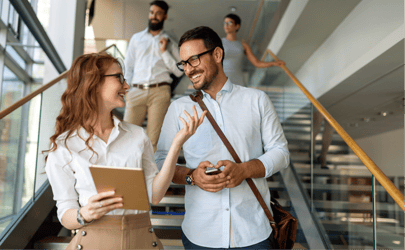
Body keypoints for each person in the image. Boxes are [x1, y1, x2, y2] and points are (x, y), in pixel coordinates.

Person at [45, 53, 205, 250]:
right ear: (92, 83)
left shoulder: (137, 136)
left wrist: (176, 144)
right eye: (119, 78)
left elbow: (154, 196)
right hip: (93, 241)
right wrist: (83, 214)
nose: (127, 86)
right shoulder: (64, 147)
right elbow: (65, 212)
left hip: (142, 240)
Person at [155, 26, 290, 249]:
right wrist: (192, 176)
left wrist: (245, 170)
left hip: (253, 232)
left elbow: (281, 152)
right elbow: (160, 161)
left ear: (217, 54)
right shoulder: (178, 108)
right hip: (201, 234)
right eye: (184, 63)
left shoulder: (256, 100)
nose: (188, 69)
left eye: (194, 60)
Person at [123, 0, 183, 151]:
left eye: (158, 13)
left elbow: (180, 70)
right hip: (136, 91)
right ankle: (128, 172)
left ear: (165, 16)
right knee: (126, 136)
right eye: (152, 12)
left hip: (160, 92)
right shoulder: (136, 38)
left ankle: (150, 174)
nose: (154, 16)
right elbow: (128, 66)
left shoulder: (170, 43)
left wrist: (164, 52)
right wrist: (127, 89)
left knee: (153, 140)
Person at [222, 13, 285, 87]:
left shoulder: (243, 45)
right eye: (224, 23)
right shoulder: (218, 42)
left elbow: (256, 63)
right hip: (222, 81)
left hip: (238, 82)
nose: (226, 25)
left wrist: (274, 63)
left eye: (229, 22)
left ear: (237, 26)